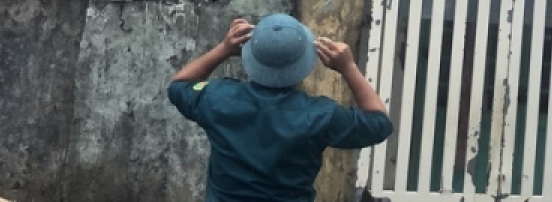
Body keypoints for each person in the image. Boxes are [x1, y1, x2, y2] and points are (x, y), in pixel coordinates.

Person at [168, 13, 393, 202]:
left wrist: (224, 48)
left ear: (248, 54)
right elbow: (379, 124)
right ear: (305, 62)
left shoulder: (217, 98)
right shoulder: (320, 116)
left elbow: (178, 86)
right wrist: (349, 67)